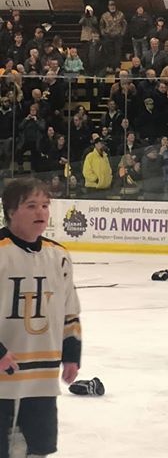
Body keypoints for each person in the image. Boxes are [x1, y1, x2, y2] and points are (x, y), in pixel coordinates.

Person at [0, 177, 81, 457]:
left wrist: (71, 354)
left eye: (45, 205)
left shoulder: (58, 255)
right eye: (31, 205)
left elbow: (70, 309)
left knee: (39, 447)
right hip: (3, 376)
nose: (41, 212)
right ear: (11, 211)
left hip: (43, 376)